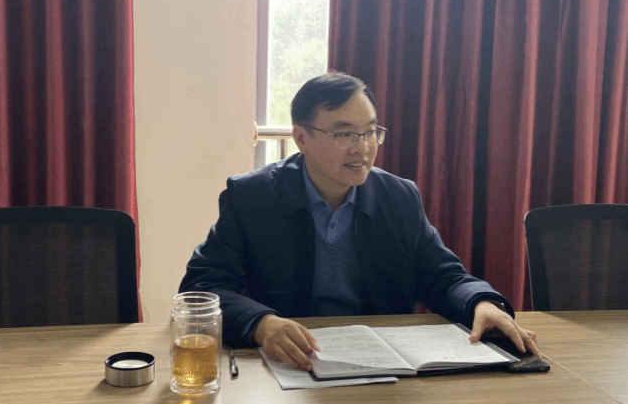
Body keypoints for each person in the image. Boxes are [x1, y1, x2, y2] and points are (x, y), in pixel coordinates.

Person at [180, 72, 540, 371]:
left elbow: (443, 278)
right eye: (344, 134)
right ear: (301, 138)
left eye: (370, 132)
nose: (362, 148)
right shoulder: (253, 197)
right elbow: (203, 286)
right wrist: (262, 324)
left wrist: (481, 304)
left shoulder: (398, 197)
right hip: (291, 366)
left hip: (384, 367)